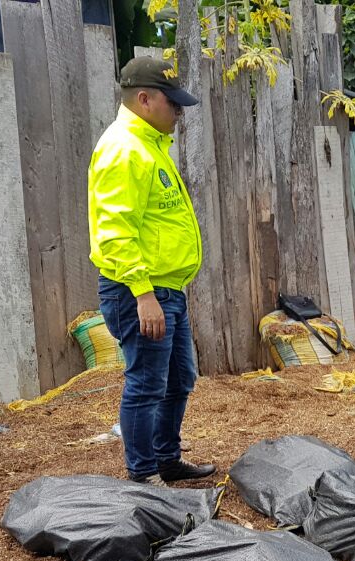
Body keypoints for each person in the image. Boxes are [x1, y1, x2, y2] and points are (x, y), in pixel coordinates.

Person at [88, 57, 214, 486]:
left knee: (180, 379)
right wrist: (143, 294)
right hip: (139, 291)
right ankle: (144, 477)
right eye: (172, 104)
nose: (178, 113)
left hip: (167, 289)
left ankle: (165, 459)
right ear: (144, 99)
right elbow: (114, 231)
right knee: (145, 384)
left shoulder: (148, 147)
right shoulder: (124, 150)